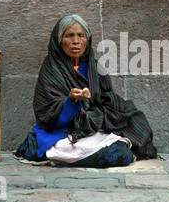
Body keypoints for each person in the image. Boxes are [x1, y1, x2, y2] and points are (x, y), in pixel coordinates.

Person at [15, 14, 158, 167]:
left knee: (127, 137)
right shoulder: (51, 68)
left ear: (87, 40)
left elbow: (106, 101)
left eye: (80, 36)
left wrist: (97, 115)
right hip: (62, 133)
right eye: (69, 35)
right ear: (59, 40)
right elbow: (50, 117)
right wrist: (71, 101)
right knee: (118, 156)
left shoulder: (94, 67)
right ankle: (64, 158)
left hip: (92, 128)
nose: (75, 41)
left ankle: (65, 160)